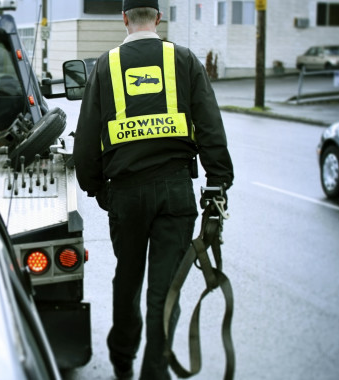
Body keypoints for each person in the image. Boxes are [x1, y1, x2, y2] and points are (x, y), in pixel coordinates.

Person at [72, 0, 234, 379]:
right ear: (159, 19)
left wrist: (97, 189)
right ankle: (154, 372)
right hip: (176, 192)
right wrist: (217, 184)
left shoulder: (105, 66)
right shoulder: (185, 61)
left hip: (126, 193)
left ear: (124, 19)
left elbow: (87, 141)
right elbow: (210, 127)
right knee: (166, 292)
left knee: (128, 280)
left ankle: (122, 358)